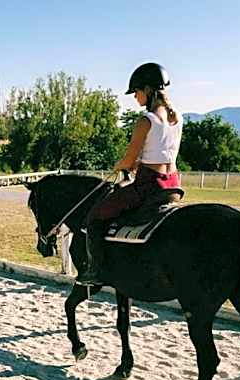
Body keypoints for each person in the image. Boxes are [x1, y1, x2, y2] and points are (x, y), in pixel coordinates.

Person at [75, 62, 184, 286]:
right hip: (173, 186)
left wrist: (121, 165)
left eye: (136, 92)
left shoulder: (146, 120)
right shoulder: (177, 118)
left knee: (95, 216)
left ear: (147, 90)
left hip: (148, 186)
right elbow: (161, 154)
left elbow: (128, 159)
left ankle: (96, 271)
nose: (135, 97)